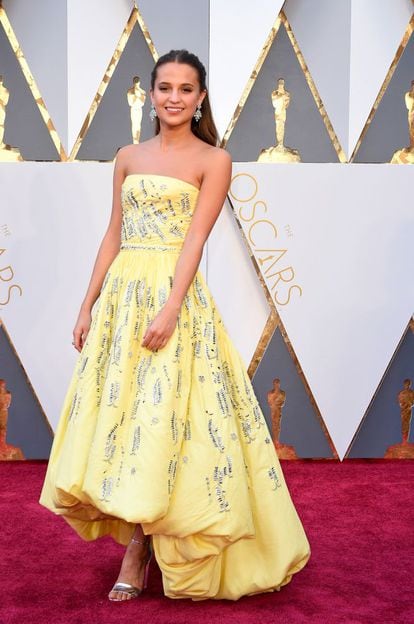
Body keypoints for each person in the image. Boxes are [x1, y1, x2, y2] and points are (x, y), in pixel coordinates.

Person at [40, 49, 311, 602]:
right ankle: (138, 538)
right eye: (164, 87)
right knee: (129, 419)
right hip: (121, 298)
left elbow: (195, 241)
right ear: (153, 94)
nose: (173, 97)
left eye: (185, 89)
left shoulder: (214, 160)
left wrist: (170, 307)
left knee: (168, 419)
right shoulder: (127, 156)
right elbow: (113, 233)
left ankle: (142, 549)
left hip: (174, 298)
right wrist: (87, 303)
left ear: (200, 98)